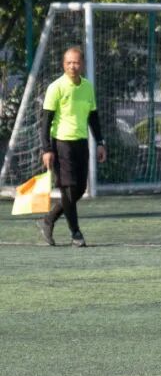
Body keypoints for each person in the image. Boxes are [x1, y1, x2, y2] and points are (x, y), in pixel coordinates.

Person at [37, 46, 106, 247]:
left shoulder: (87, 87)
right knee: (68, 188)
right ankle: (76, 233)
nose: (72, 66)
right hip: (61, 144)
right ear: (63, 64)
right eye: (68, 63)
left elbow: (93, 117)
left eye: (76, 62)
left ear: (82, 64)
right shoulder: (56, 87)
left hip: (81, 143)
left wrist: (100, 142)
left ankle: (48, 219)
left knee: (79, 188)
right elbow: (45, 121)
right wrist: (47, 149)